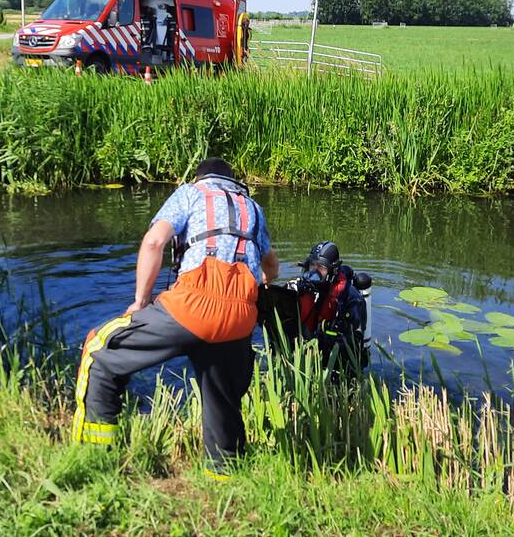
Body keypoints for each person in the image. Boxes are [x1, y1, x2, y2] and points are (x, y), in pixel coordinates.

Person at [72, 157, 279, 480]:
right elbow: (271, 267)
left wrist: (140, 302)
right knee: (221, 399)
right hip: (240, 317)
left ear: (200, 178)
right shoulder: (252, 208)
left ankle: (94, 458)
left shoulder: (190, 194)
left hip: (192, 305)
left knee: (101, 349)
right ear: (233, 181)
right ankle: (224, 479)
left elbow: (154, 241)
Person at [288, 241, 369, 372]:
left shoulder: (351, 298)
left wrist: (321, 342)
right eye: (312, 265)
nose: (314, 272)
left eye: (321, 268)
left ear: (333, 271)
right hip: (309, 356)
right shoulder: (306, 289)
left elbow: (354, 344)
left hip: (339, 365)